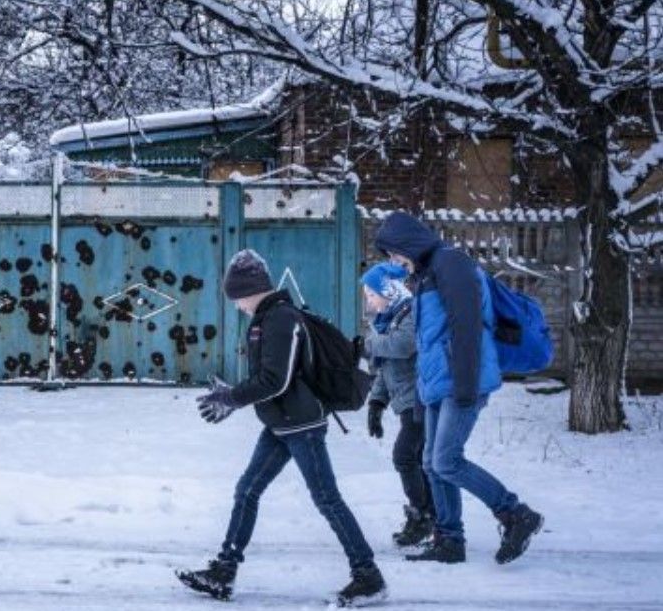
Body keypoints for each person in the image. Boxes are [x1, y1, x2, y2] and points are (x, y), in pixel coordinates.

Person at [177, 249, 387, 606]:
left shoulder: (280, 319)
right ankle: (224, 572)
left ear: (249, 290)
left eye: (237, 297)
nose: (237, 305)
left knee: (327, 499)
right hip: (281, 423)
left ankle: (368, 576)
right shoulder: (266, 318)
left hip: (302, 425)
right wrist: (234, 397)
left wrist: (233, 398)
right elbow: (269, 379)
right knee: (247, 491)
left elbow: (276, 380)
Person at [374, 211, 544, 564]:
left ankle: (515, 514)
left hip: (461, 380)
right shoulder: (424, 275)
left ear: (407, 243)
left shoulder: (451, 263)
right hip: (438, 382)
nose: (394, 262)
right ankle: (449, 540)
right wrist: (422, 393)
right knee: (431, 462)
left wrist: (466, 385)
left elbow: (466, 326)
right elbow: (427, 341)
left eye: (394, 253)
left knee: (446, 461)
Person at [361, 261, 434, 547]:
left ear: (388, 291)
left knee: (405, 457)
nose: (369, 302)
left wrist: (369, 344)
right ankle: (429, 515)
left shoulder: (410, 312)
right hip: (407, 403)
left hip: (421, 399)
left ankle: (423, 516)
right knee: (416, 460)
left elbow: (402, 347)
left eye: (371, 295)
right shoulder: (388, 319)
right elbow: (387, 366)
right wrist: (376, 403)